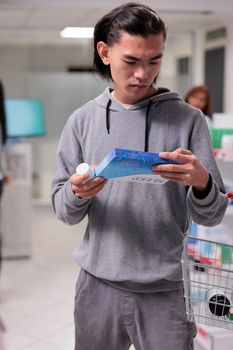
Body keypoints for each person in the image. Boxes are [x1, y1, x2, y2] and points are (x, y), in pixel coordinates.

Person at [51, 3, 228, 350]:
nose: (143, 74)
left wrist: (203, 182)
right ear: (105, 53)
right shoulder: (83, 121)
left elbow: (213, 212)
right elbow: (63, 210)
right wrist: (79, 193)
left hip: (166, 292)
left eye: (154, 60)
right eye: (131, 61)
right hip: (97, 288)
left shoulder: (188, 120)